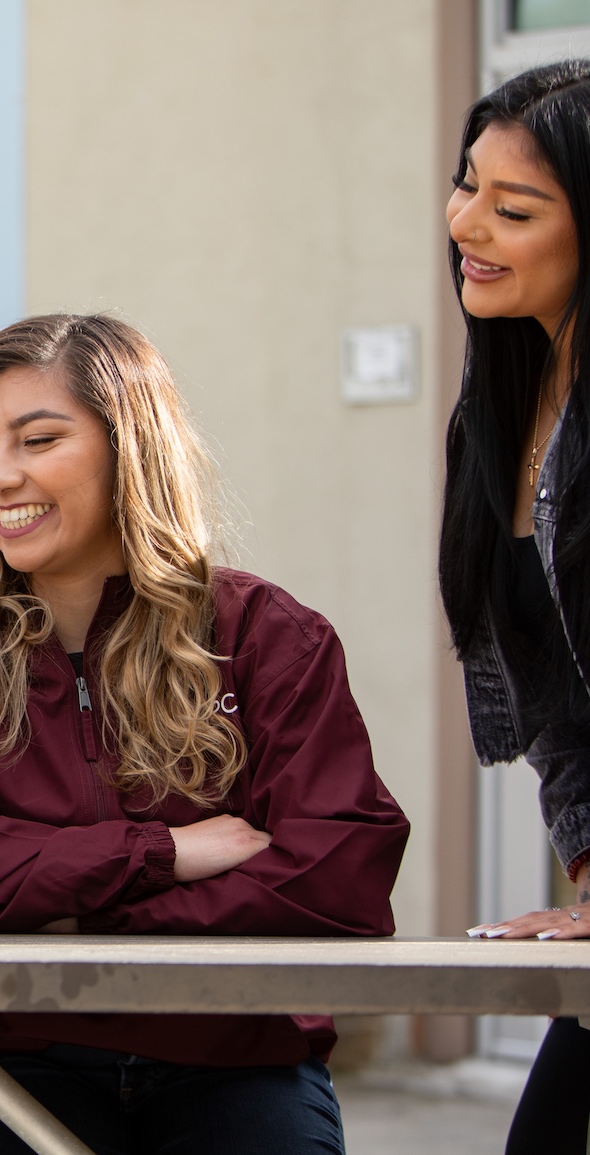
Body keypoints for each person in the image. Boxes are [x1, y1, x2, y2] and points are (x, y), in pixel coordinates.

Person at [0, 314, 410, 1155]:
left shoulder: (264, 636)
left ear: (129, 448)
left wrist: (75, 930)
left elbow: (337, 874)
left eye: (38, 439)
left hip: (234, 1057)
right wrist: (159, 853)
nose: (0, 476)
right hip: (5, 1058)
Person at [440, 61, 590, 1153]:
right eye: (464, 185)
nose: (466, 223)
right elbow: (559, 706)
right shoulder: (503, 399)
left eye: (512, 207)